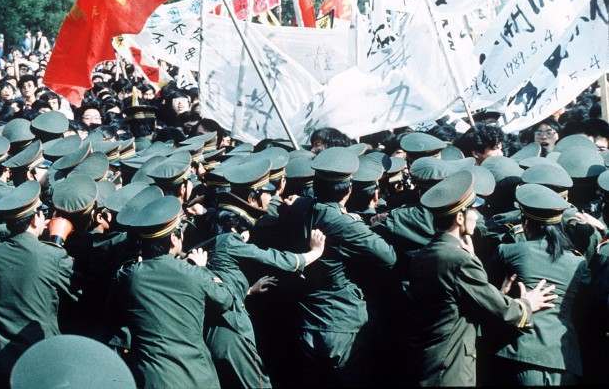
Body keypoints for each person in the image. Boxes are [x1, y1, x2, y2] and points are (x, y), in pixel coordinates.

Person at [406, 170, 558, 386]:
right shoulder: (458, 260)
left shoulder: (425, 255)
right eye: (474, 210)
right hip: (450, 366)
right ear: (460, 217)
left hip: (429, 359)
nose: (477, 216)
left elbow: (458, 301)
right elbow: (503, 311)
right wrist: (527, 304)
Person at [203, 159, 326, 388]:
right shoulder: (230, 241)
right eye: (267, 193)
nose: (271, 198)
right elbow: (280, 261)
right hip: (232, 332)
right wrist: (314, 253)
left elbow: (217, 284)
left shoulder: (212, 239)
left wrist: (248, 290)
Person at [280, 147, 397, 386]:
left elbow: (303, 204)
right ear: (348, 190)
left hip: (306, 317)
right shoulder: (344, 224)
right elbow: (388, 257)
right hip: (339, 323)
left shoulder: (298, 208)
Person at [108, 194, 234, 389]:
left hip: (154, 379)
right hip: (197, 377)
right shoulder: (194, 274)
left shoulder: (129, 277)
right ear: (175, 239)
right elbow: (225, 300)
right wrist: (202, 268)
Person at [0, 181, 76, 388]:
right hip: (35, 359)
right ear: (35, 219)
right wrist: (57, 241)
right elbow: (74, 294)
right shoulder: (54, 256)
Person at [490, 184, 590, 385]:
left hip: (521, 352)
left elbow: (490, 294)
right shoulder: (578, 262)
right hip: (564, 359)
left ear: (525, 222)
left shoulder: (508, 252)